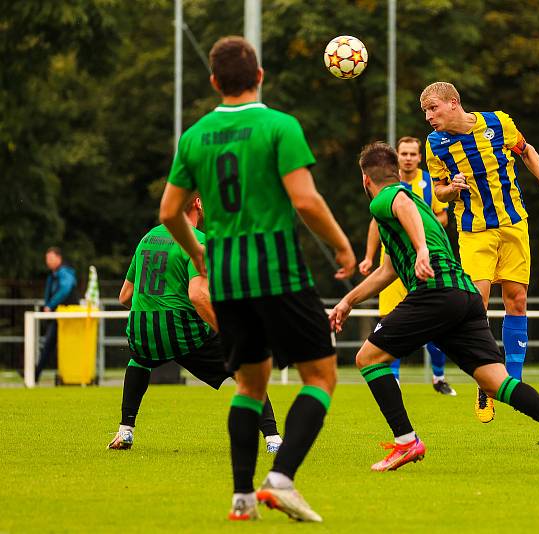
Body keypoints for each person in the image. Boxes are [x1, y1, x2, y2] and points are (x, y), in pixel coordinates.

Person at [159, 36, 355, 522]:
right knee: (321, 376)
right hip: (276, 271)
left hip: (226, 278)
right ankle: (281, 480)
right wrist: (342, 245)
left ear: (213, 82)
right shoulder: (278, 126)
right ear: (260, 76)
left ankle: (242, 499)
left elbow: (168, 212)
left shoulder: (195, 136)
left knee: (249, 384)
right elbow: (306, 202)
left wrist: (199, 253)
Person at [329, 142, 539, 474]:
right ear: (397, 170)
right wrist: (347, 302)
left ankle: (406, 441)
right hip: (464, 296)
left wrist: (422, 250)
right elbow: (388, 270)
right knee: (496, 383)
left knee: (367, 358)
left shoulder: (388, 198)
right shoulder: (417, 206)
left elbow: (399, 203)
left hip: (436, 291)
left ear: (365, 180)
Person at [420, 81, 539, 423]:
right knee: (477, 303)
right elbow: (439, 191)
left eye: (433, 109)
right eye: (426, 111)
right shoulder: (435, 144)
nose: (429, 117)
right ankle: (486, 380)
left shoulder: (499, 122)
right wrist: (451, 190)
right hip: (474, 230)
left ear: (453, 103)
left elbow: (526, 150)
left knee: (516, 299)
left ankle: (512, 381)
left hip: (513, 223)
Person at [107, 195, 282, 454]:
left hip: (141, 328)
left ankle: (125, 431)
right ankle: (273, 439)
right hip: (181, 329)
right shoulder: (198, 241)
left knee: (140, 359)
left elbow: (125, 297)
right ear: (199, 203)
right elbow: (198, 296)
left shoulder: (147, 238)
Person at [359, 136, 456, 395]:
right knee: (389, 321)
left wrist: (422, 237)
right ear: (397, 157)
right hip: (393, 262)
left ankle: (438, 377)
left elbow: (442, 215)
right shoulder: (386, 184)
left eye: (414, 154)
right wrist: (369, 257)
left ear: (419, 157)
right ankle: (395, 380)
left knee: (435, 323)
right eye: (404, 153)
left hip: (422, 261)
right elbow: (375, 224)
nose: (409, 158)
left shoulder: (427, 185)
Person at [35, 247, 79, 383]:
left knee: (50, 345)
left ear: (59, 258)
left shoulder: (65, 273)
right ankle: (35, 374)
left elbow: (65, 289)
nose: (48, 262)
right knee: (50, 346)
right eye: (47, 259)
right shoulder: (53, 275)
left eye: (51, 258)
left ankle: (34, 374)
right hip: (60, 315)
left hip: (66, 316)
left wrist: (50, 305)